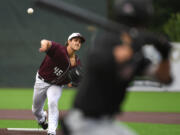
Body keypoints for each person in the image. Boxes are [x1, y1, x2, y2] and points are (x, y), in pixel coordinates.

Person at [61, 0, 173, 135]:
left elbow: (164, 78)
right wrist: (136, 43)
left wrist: (165, 54)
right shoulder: (106, 41)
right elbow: (103, 61)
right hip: (83, 122)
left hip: (106, 122)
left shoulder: (136, 53)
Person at [32, 32, 85, 135]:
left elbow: (70, 83)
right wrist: (44, 46)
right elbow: (46, 42)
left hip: (56, 85)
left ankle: (51, 131)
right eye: (75, 40)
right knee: (36, 109)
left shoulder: (77, 63)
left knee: (52, 102)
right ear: (69, 42)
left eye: (80, 42)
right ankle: (41, 118)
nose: (78, 43)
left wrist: (74, 83)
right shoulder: (59, 50)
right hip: (42, 81)